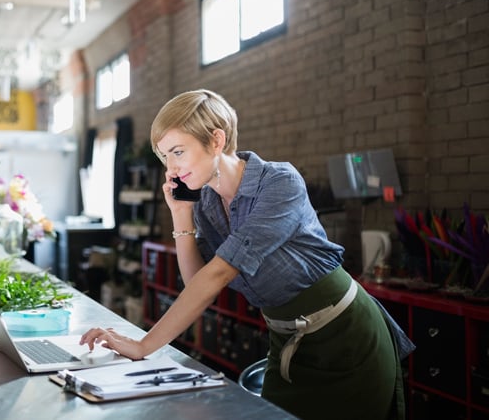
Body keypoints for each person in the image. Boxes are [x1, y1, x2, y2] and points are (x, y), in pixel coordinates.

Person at [80, 89, 414, 420]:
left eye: (178, 151)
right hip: (286, 341)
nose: (171, 168)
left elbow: (219, 274)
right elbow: (198, 284)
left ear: (216, 140)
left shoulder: (280, 183)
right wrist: (181, 215)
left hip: (346, 338)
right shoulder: (207, 203)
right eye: (165, 156)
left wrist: (143, 345)